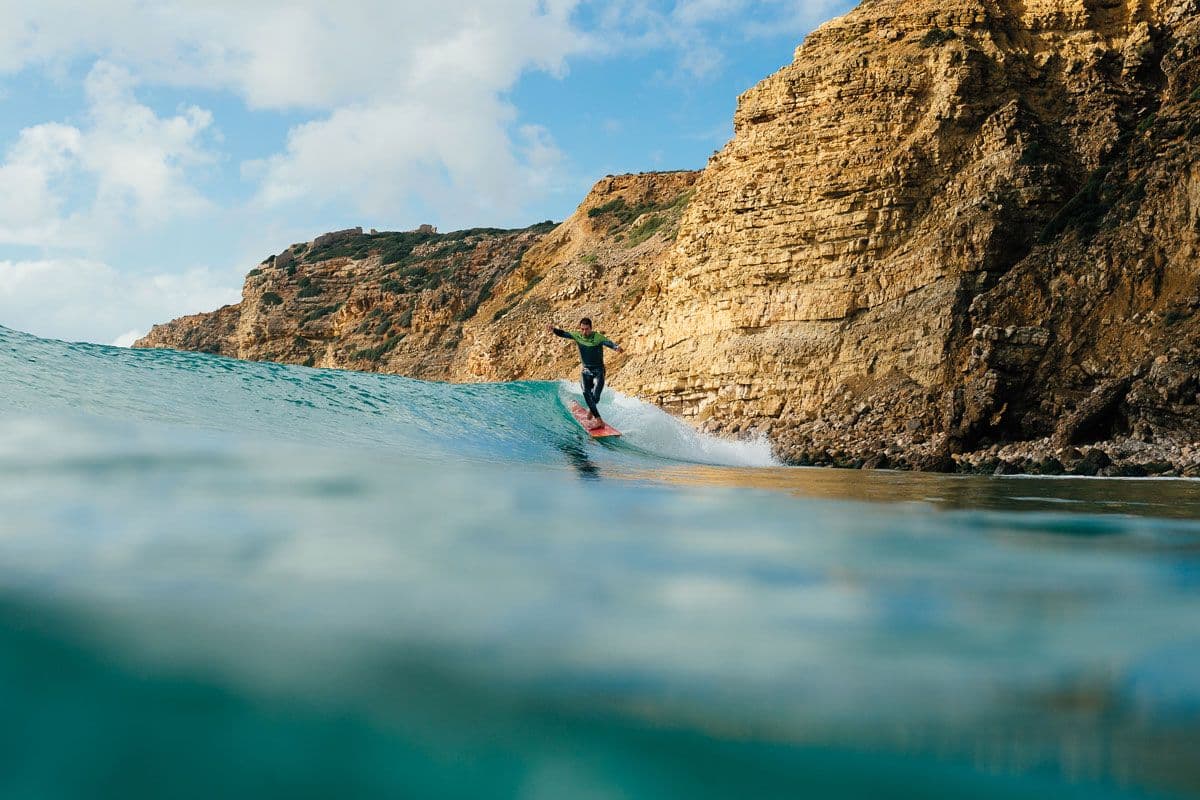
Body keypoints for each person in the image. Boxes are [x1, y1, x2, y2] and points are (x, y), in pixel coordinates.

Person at [546, 317, 622, 428]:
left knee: (595, 397)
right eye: (582, 329)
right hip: (586, 371)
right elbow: (564, 334)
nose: (584, 332)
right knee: (586, 392)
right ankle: (598, 420)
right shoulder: (578, 336)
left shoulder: (597, 337)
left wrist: (616, 347)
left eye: (586, 329)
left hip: (598, 371)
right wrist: (554, 330)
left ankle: (592, 409)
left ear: (591, 328)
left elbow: (608, 342)